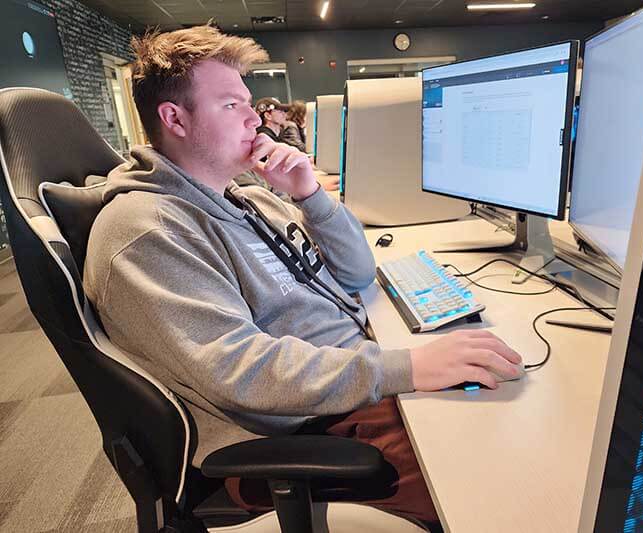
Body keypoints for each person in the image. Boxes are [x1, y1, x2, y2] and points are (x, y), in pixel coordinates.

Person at [83, 24, 522, 526]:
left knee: (513, 413)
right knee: (504, 488)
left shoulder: (247, 195)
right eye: (231, 105)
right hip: (305, 433)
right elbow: (239, 371)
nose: (256, 118)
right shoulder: (146, 231)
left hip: (349, 384)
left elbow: (357, 272)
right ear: (174, 119)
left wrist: (309, 194)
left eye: (249, 102)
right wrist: (404, 369)